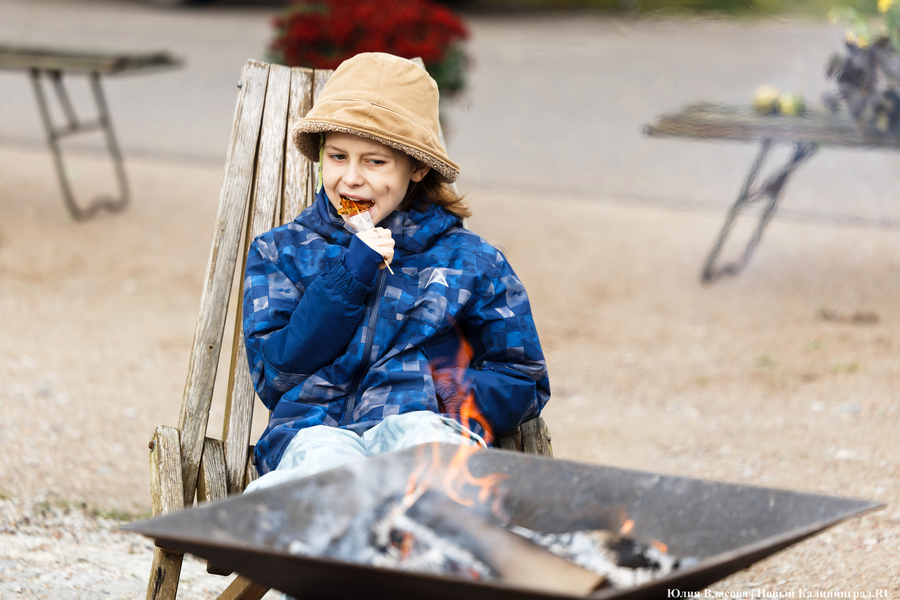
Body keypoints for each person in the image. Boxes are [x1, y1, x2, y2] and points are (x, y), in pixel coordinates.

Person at [242, 52, 549, 493]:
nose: (350, 178)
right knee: (327, 481)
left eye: (375, 162)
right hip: (312, 432)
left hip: (423, 425)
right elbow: (276, 377)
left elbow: (523, 378)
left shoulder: (470, 262)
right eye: (337, 156)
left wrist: (439, 391)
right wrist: (350, 274)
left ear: (417, 167)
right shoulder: (281, 252)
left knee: (428, 459)